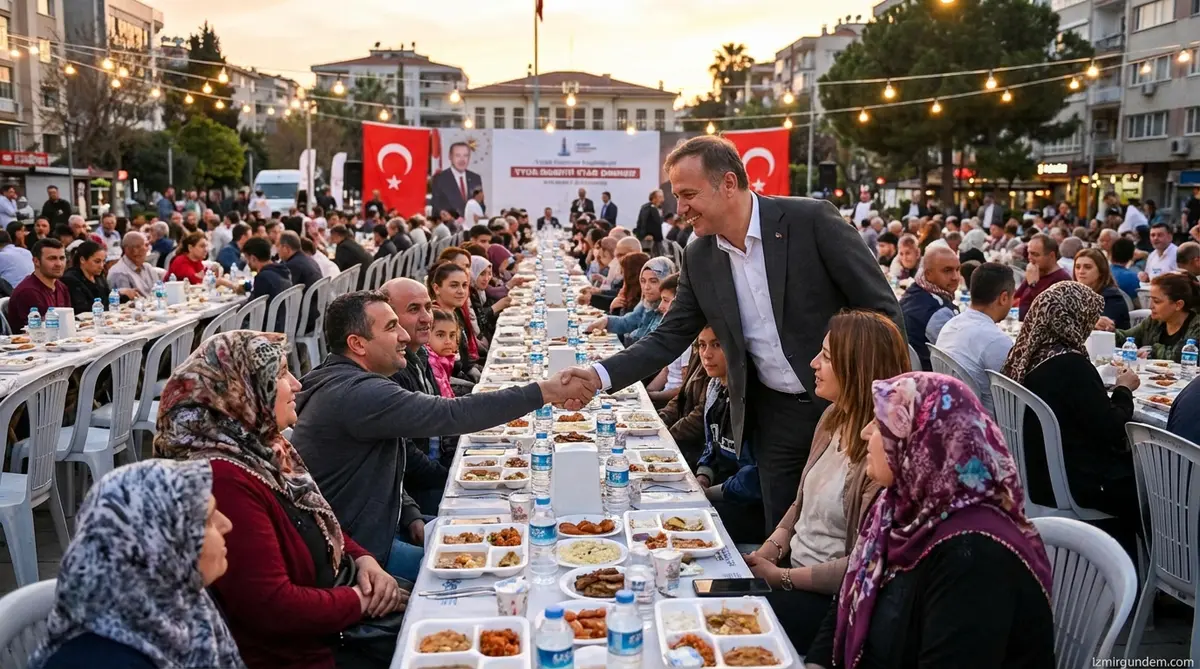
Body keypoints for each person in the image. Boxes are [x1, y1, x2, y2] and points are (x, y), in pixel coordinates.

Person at [558, 135, 904, 532]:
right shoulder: (699, 255)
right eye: (675, 195)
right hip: (773, 415)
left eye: (689, 194)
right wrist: (598, 376)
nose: (679, 208)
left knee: (851, 529)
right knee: (783, 531)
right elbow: (668, 336)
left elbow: (883, 312)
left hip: (848, 408)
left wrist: (883, 402)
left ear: (727, 183)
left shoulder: (810, 221)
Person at [290, 292, 590, 581]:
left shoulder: (345, 382)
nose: (405, 336)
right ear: (357, 344)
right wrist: (546, 391)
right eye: (392, 327)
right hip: (360, 554)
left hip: (378, 529)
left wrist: (408, 513)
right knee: (513, 563)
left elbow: (386, 459)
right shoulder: (357, 393)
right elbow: (453, 414)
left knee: (511, 531)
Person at [154, 331, 404, 669]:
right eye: (281, 374)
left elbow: (314, 519)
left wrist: (363, 561)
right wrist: (359, 600)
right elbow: (272, 607)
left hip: (340, 615)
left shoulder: (262, 448)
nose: (297, 384)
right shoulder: (223, 479)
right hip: (311, 652)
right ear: (242, 389)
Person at [804, 373, 1055, 669]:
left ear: (922, 443)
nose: (865, 433)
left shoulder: (974, 556)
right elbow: (843, 607)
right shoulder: (894, 510)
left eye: (879, 423)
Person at [742, 310, 909, 652]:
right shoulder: (833, 418)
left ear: (857, 368)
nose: (814, 363)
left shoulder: (880, 455)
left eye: (827, 357)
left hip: (832, 603)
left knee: (725, 617)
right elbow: (801, 503)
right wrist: (769, 551)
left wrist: (782, 579)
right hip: (793, 572)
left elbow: (862, 563)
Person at [27, 460, 243, 669]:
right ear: (159, 545)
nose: (227, 525)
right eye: (207, 521)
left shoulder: (182, 602)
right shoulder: (102, 660)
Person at [1003, 282, 1141, 543]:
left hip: (1035, 469)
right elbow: (1111, 429)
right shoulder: (1070, 365)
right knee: (1152, 481)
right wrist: (1124, 390)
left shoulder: (1029, 352)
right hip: (1072, 479)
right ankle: (1147, 561)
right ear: (1073, 317)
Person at [692, 325, 763, 543]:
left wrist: (708, 494)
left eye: (717, 345)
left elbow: (754, 478)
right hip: (719, 489)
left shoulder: (753, 399)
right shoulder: (715, 387)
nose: (707, 354)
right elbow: (711, 445)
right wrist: (702, 477)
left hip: (748, 507)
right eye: (702, 345)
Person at [933, 262, 1015, 415]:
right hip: (984, 426)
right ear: (1004, 298)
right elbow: (1012, 399)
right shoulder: (996, 341)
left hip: (948, 414)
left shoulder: (950, 325)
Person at [586, 256, 676, 344]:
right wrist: (606, 321)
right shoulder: (646, 303)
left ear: (666, 281)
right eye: (643, 281)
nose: (646, 287)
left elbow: (650, 346)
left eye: (653, 281)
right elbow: (627, 322)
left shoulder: (669, 309)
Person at [1115, 272, 1200, 361]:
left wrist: (1152, 350)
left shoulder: (1196, 327)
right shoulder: (1153, 322)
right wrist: (1106, 330)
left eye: (1156, 301)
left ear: (1178, 305)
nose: (1150, 306)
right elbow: (1126, 339)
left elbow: (1180, 356)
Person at [900, 246, 960, 370]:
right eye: (947, 270)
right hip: (931, 378)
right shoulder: (938, 312)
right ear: (928, 274)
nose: (955, 277)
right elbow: (958, 358)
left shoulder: (912, 293)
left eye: (957, 270)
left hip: (906, 374)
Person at [428, 261, 484, 373]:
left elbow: (464, 359)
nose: (461, 291)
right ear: (436, 288)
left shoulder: (457, 312)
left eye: (464, 285)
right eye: (454, 285)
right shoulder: (432, 319)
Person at [8, 238, 71, 332]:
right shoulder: (28, 292)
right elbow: (35, 332)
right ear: (36, 261)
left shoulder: (61, 287)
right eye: (52, 258)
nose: (59, 264)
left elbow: (67, 322)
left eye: (62, 258)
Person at [1014, 233, 1070, 320]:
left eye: (1035, 254)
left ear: (1051, 256)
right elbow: (1016, 297)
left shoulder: (1062, 279)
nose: (1030, 258)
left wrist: (1033, 284)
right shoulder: (1036, 271)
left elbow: (1047, 310)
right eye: (1028, 253)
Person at [1075, 248, 1130, 331]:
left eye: (1087, 267)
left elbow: (1104, 329)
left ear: (1101, 271)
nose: (1081, 271)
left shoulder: (1112, 296)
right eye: (1077, 267)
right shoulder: (1074, 293)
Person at [62, 241, 117, 314]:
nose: (101, 266)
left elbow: (108, 298)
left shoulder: (99, 276)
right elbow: (82, 309)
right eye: (97, 261)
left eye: (103, 261)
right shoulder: (71, 279)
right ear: (82, 260)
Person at [431, 142, 483, 217]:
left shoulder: (475, 178)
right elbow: (436, 206)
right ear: (450, 157)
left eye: (465, 155)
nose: (462, 160)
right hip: (450, 226)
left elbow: (480, 204)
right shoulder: (440, 178)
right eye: (458, 155)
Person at [468, 256, 509, 343]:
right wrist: (497, 306)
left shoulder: (480, 292)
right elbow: (480, 322)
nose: (486, 278)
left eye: (489, 273)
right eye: (482, 274)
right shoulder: (469, 293)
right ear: (472, 273)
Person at [107, 232, 157, 298]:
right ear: (134, 250)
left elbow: (159, 292)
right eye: (145, 245)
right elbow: (127, 305)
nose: (147, 249)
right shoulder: (119, 273)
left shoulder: (148, 267)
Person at [426, 309, 460, 398]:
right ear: (427, 335)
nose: (448, 341)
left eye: (452, 335)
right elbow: (445, 399)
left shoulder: (442, 359)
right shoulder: (431, 362)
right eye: (440, 335)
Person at [635, 189, 665, 256]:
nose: (662, 199)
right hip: (649, 239)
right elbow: (643, 221)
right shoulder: (647, 208)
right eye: (660, 197)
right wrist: (647, 234)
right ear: (653, 198)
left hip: (657, 239)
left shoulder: (659, 208)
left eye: (662, 197)